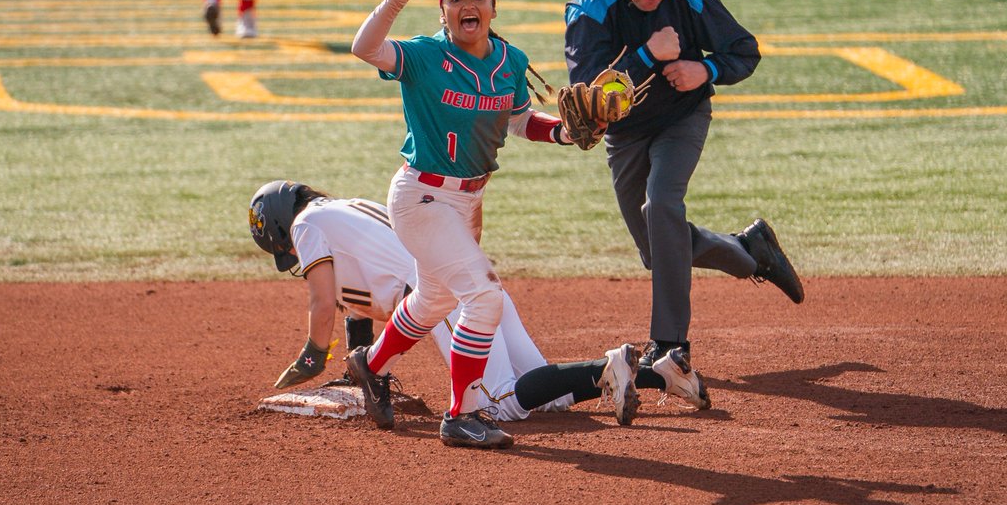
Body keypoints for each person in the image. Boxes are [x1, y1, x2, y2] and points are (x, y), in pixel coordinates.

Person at [347, 0, 634, 449]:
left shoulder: (510, 61)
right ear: (443, 14)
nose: (467, 6)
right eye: (455, 0)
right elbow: (364, 48)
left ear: (492, 7)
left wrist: (565, 132)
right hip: (421, 196)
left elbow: (521, 121)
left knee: (434, 299)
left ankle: (369, 366)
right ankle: (462, 414)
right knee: (483, 296)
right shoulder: (422, 57)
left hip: (467, 202)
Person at [247, 181, 710, 444]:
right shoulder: (343, 212)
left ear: (286, 222)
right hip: (472, 279)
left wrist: (314, 352)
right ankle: (661, 372)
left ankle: (612, 365)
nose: (293, 254)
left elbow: (323, 299)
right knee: (547, 396)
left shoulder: (307, 224)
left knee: (501, 404)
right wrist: (363, 366)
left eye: (284, 244)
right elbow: (355, 308)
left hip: (444, 294)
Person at [563, 0, 805, 371]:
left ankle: (670, 344)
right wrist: (646, 56)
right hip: (626, 134)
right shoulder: (589, 9)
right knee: (657, 249)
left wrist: (706, 68)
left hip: (682, 117)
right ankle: (751, 252)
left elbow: (744, 51)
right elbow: (587, 94)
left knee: (662, 206)